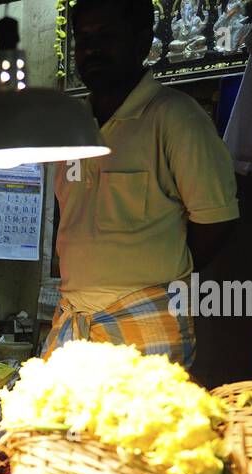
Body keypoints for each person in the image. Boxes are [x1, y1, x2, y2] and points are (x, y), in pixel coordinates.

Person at [47, 0, 239, 367]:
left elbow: (217, 221)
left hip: (147, 318)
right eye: (83, 37)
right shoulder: (71, 125)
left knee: (140, 424)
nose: (91, 49)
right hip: (74, 317)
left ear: (141, 42)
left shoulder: (175, 118)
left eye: (106, 36)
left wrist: (158, 276)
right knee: (59, 425)